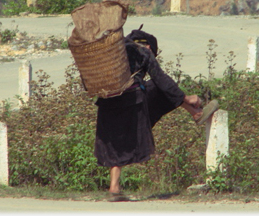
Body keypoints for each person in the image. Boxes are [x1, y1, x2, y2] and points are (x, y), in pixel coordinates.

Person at [94, 27, 219, 200]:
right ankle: (194, 112)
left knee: (116, 143)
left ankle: (114, 188)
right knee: (160, 87)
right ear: (149, 47)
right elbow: (161, 80)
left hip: (106, 103)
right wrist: (186, 97)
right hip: (131, 105)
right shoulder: (143, 53)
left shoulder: (113, 50)